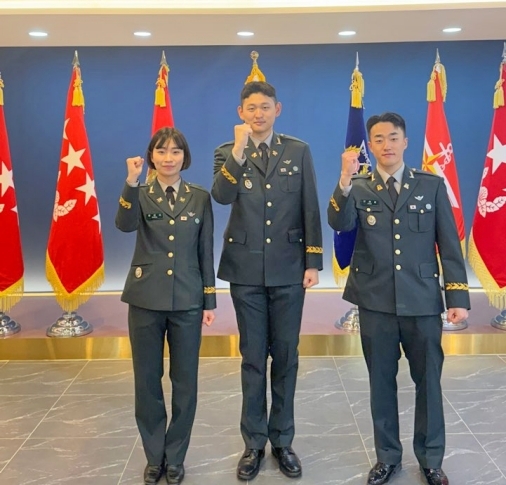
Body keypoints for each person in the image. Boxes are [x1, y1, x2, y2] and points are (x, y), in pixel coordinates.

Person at [328, 112, 470, 485]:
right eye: (378, 139)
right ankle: (387, 457)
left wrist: (457, 295)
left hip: (422, 301)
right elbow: (340, 224)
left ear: (405, 142)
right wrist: (343, 180)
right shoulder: (358, 186)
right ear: (370, 145)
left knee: (429, 383)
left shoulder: (431, 185)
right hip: (375, 301)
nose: (386, 145)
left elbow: (449, 245)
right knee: (381, 383)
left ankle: (431, 459)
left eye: (393, 137)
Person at [212, 79, 323, 481]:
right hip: (245, 271)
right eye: (251, 108)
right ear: (240, 113)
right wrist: (239, 152)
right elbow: (221, 196)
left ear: (278, 110)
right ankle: (254, 443)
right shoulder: (226, 152)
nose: (258, 114)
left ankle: (283, 440)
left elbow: (309, 205)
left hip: (289, 268)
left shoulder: (298, 150)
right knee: (253, 357)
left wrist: (313, 260)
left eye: (265, 107)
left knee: (287, 356)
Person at [116, 127, 216, 485]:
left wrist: (209, 300)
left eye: (175, 151)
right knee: (147, 380)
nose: (168, 158)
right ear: (151, 157)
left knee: (185, 382)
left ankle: (176, 456)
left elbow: (205, 251)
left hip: (187, 300)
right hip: (145, 299)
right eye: (161, 151)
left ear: (184, 157)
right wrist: (131, 182)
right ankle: (153, 455)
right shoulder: (140, 194)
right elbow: (124, 225)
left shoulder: (199, 197)